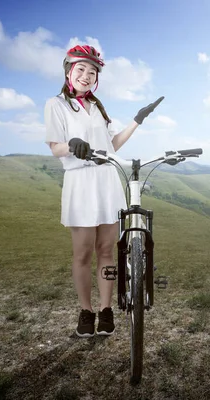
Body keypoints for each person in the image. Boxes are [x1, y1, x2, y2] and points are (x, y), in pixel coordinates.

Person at [44, 44, 163, 338]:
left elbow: (112, 146)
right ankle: (86, 311)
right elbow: (54, 146)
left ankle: (106, 308)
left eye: (92, 71)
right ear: (69, 71)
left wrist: (138, 119)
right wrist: (71, 144)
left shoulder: (97, 107)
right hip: (80, 183)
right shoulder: (56, 105)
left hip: (107, 182)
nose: (86, 75)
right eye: (81, 69)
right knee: (83, 253)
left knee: (107, 250)